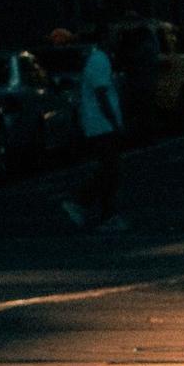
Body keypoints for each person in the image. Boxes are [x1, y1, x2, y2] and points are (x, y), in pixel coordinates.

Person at [62, 28, 127, 232]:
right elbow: (101, 92)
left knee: (110, 170)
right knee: (110, 169)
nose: (118, 41)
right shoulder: (100, 60)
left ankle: (105, 213)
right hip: (101, 124)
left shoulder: (99, 59)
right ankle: (84, 203)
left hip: (99, 123)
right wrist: (114, 120)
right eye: (115, 37)